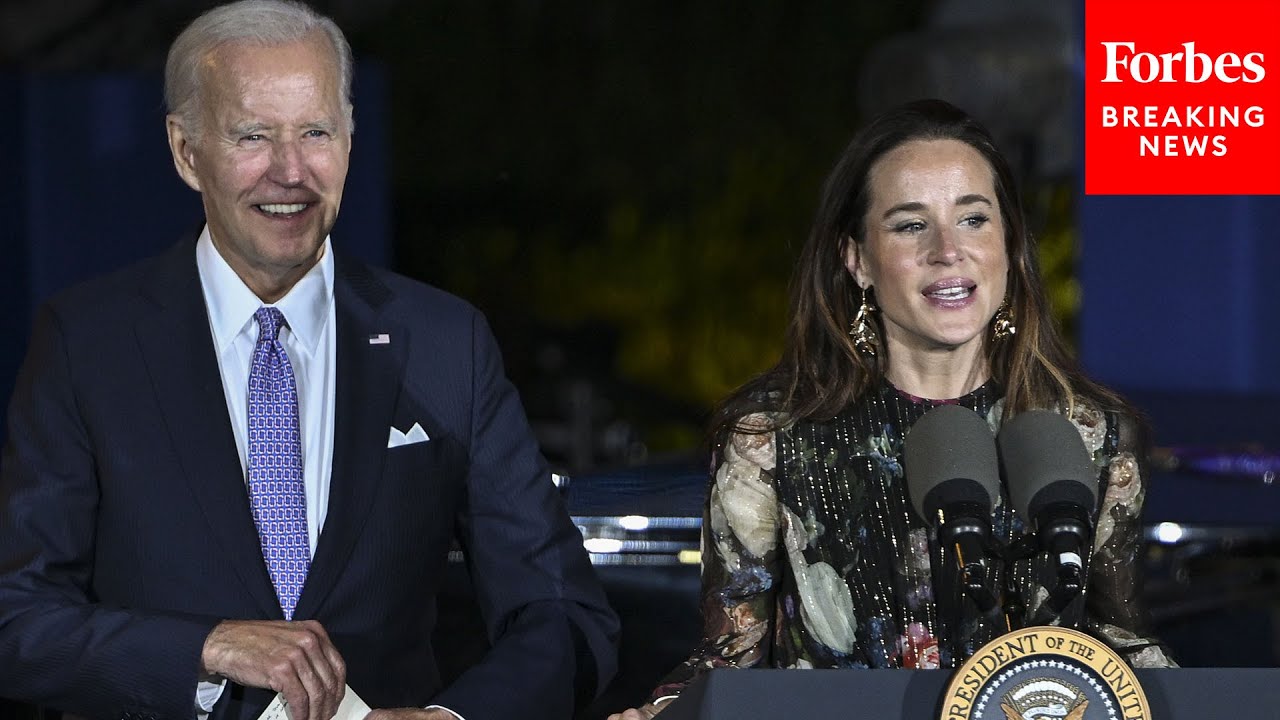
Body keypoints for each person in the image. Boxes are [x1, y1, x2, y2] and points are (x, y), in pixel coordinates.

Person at [0, 2, 618, 719]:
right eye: (253, 135)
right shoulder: (90, 344)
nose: (290, 172)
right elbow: (17, 619)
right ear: (185, 150)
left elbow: (566, 614)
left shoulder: (445, 343)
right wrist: (204, 647)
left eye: (316, 132)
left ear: (351, 140)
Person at [610, 98, 1174, 719]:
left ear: (1010, 245)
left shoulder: (1088, 434)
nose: (947, 250)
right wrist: (661, 712)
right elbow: (729, 654)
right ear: (857, 260)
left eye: (974, 220)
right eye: (910, 225)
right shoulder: (773, 435)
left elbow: (1119, 643)